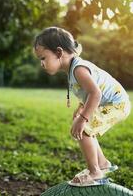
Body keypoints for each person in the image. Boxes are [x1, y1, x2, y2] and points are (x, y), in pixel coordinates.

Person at [33, 27, 131, 187]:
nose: (41, 63)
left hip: (116, 104)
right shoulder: (73, 69)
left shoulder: (79, 69)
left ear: (59, 53)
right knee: (83, 124)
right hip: (110, 103)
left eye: (43, 58)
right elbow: (88, 93)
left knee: (84, 128)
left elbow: (96, 93)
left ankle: (95, 172)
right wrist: (81, 109)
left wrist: (83, 118)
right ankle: (103, 164)